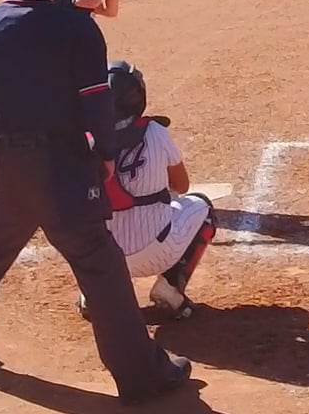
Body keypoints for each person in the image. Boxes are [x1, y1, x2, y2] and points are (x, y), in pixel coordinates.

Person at [0, 0, 193, 403]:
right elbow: (96, 102)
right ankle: (141, 376)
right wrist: (107, 155)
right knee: (100, 267)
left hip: (7, 166)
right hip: (64, 168)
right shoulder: (75, 27)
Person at [84, 62, 216, 321]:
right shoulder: (156, 132)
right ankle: (170, 287)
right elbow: (182, 186)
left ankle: (94, 293)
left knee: (77, 222)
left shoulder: (85, 140)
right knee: (203, 207)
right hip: (159, 252)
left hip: (104, 259)